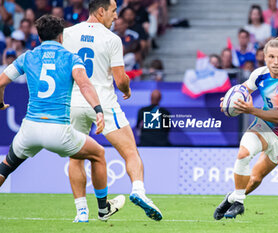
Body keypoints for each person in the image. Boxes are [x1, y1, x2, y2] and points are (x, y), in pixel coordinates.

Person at [0, 15, 125, 222]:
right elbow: (85, 84)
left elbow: (1, 82)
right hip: (58, 130)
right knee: (98, 154)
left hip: (29, 128)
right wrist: (98, 110)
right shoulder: (70, 58)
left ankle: (82, 211)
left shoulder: (27, 57)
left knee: (6, 166)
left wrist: (0, 101)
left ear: (39, 36)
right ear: (61, 36)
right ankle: (103, 210)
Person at [62, 0, 162, 222]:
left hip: (74, 103)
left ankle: (81, 212)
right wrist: (127, 89)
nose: (117, 16)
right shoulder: (112, 39)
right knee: (130, 152)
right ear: (101, 11)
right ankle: (138, 190)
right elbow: (119, 80)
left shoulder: (67, 34)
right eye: (114, 11)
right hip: (103, 103)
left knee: (75, 159)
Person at [214, 38, 278, 220]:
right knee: (243, 154)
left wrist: (250, 109)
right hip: (263, 125)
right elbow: (243, 88)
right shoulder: (259, 74)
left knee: (255, 178)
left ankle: (231, 198)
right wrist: (229, 102)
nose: (275, 61)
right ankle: (239, 202)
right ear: (264, 57)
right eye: (271, 56)